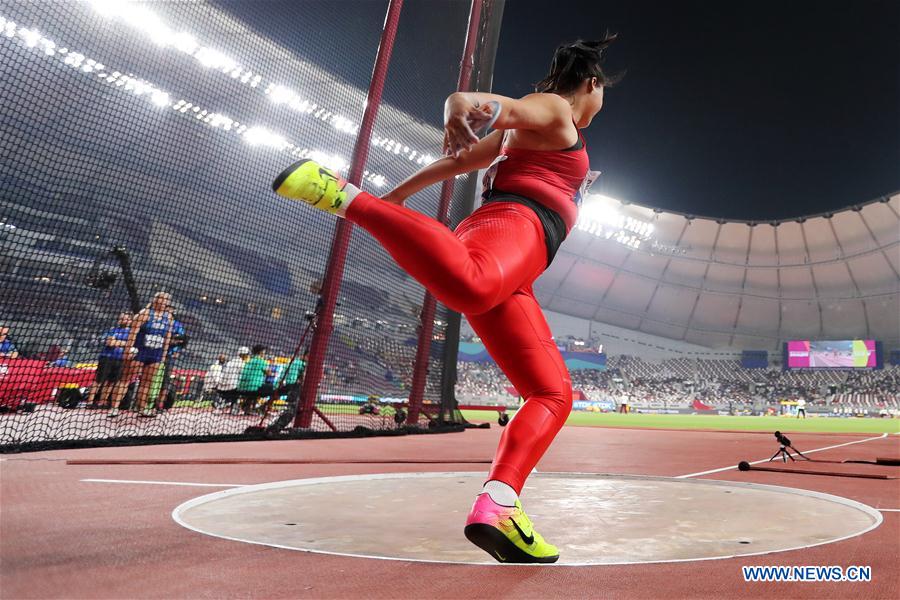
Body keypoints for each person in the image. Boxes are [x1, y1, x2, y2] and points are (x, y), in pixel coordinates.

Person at [271, 37, 619, 563]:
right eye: (602, 93)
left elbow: (461, 160)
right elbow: (495, 107)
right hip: (511, 227)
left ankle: (500, 505)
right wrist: (460, 103)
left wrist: (398, 197)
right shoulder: (555, 113)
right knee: (470, 285)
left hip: (520, 266)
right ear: (591, 84)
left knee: (552, 394)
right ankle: (341, 195)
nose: (601, 104)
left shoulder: (537, 133)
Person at [121, 292, 174, 418]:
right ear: (156, 300)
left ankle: (142, 408)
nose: (164, 303)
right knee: (126, 378)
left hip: (155, 353)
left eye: (166, 301)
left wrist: (163, 355)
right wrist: (128, 349)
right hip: (140, 351)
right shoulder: (145, 313)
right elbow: (133, 332)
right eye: (162, 299)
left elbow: (167, 337)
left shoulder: (169, 317)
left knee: (147, 382)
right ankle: (114, 407)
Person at [88, 312, 132, 408]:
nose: (121, 320)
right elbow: (110, 343)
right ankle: (90, 402)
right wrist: (124, 343)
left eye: (124, 319)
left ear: (129, 320)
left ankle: (102, 403)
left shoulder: (131, 333)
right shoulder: (113, 330)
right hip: (106, 357)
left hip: (120, 359)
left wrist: (117, 342)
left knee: (111, 382)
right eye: (120, 318)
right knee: (99, 380)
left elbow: (130, 344)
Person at [236, 344, 274, 415]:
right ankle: (262, 408)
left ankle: (247, 406)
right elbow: (268, 373)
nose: (264, 353)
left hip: (242, 386)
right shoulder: (262, 361)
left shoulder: (249, 361)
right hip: (254, 387)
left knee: (255, 388)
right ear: (261, 352)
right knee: (274, 389)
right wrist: (273, 373)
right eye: (264, 352)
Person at [216, 347, 250, 411]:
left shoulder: (231, 361)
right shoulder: (241, 363)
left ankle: (224, 403)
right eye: (247, 355)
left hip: (222, 386)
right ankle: (233, 406)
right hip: (232, 387)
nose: (248, 356)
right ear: (244, 355)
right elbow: (244, 375)